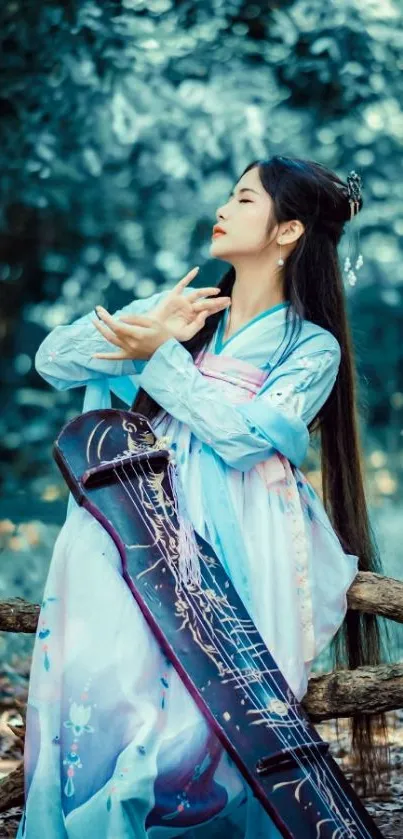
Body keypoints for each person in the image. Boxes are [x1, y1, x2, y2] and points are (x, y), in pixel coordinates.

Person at [17, 155, 386, 838]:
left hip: (242, 531)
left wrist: (161, 354)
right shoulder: (182, 312)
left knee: (196, 720)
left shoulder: (310, 348)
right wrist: (154, 325)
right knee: (111, 682)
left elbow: (241, 439)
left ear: (287, 231)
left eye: (244, 199)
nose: (224, 207)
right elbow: (53, 362)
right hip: (136, 516)